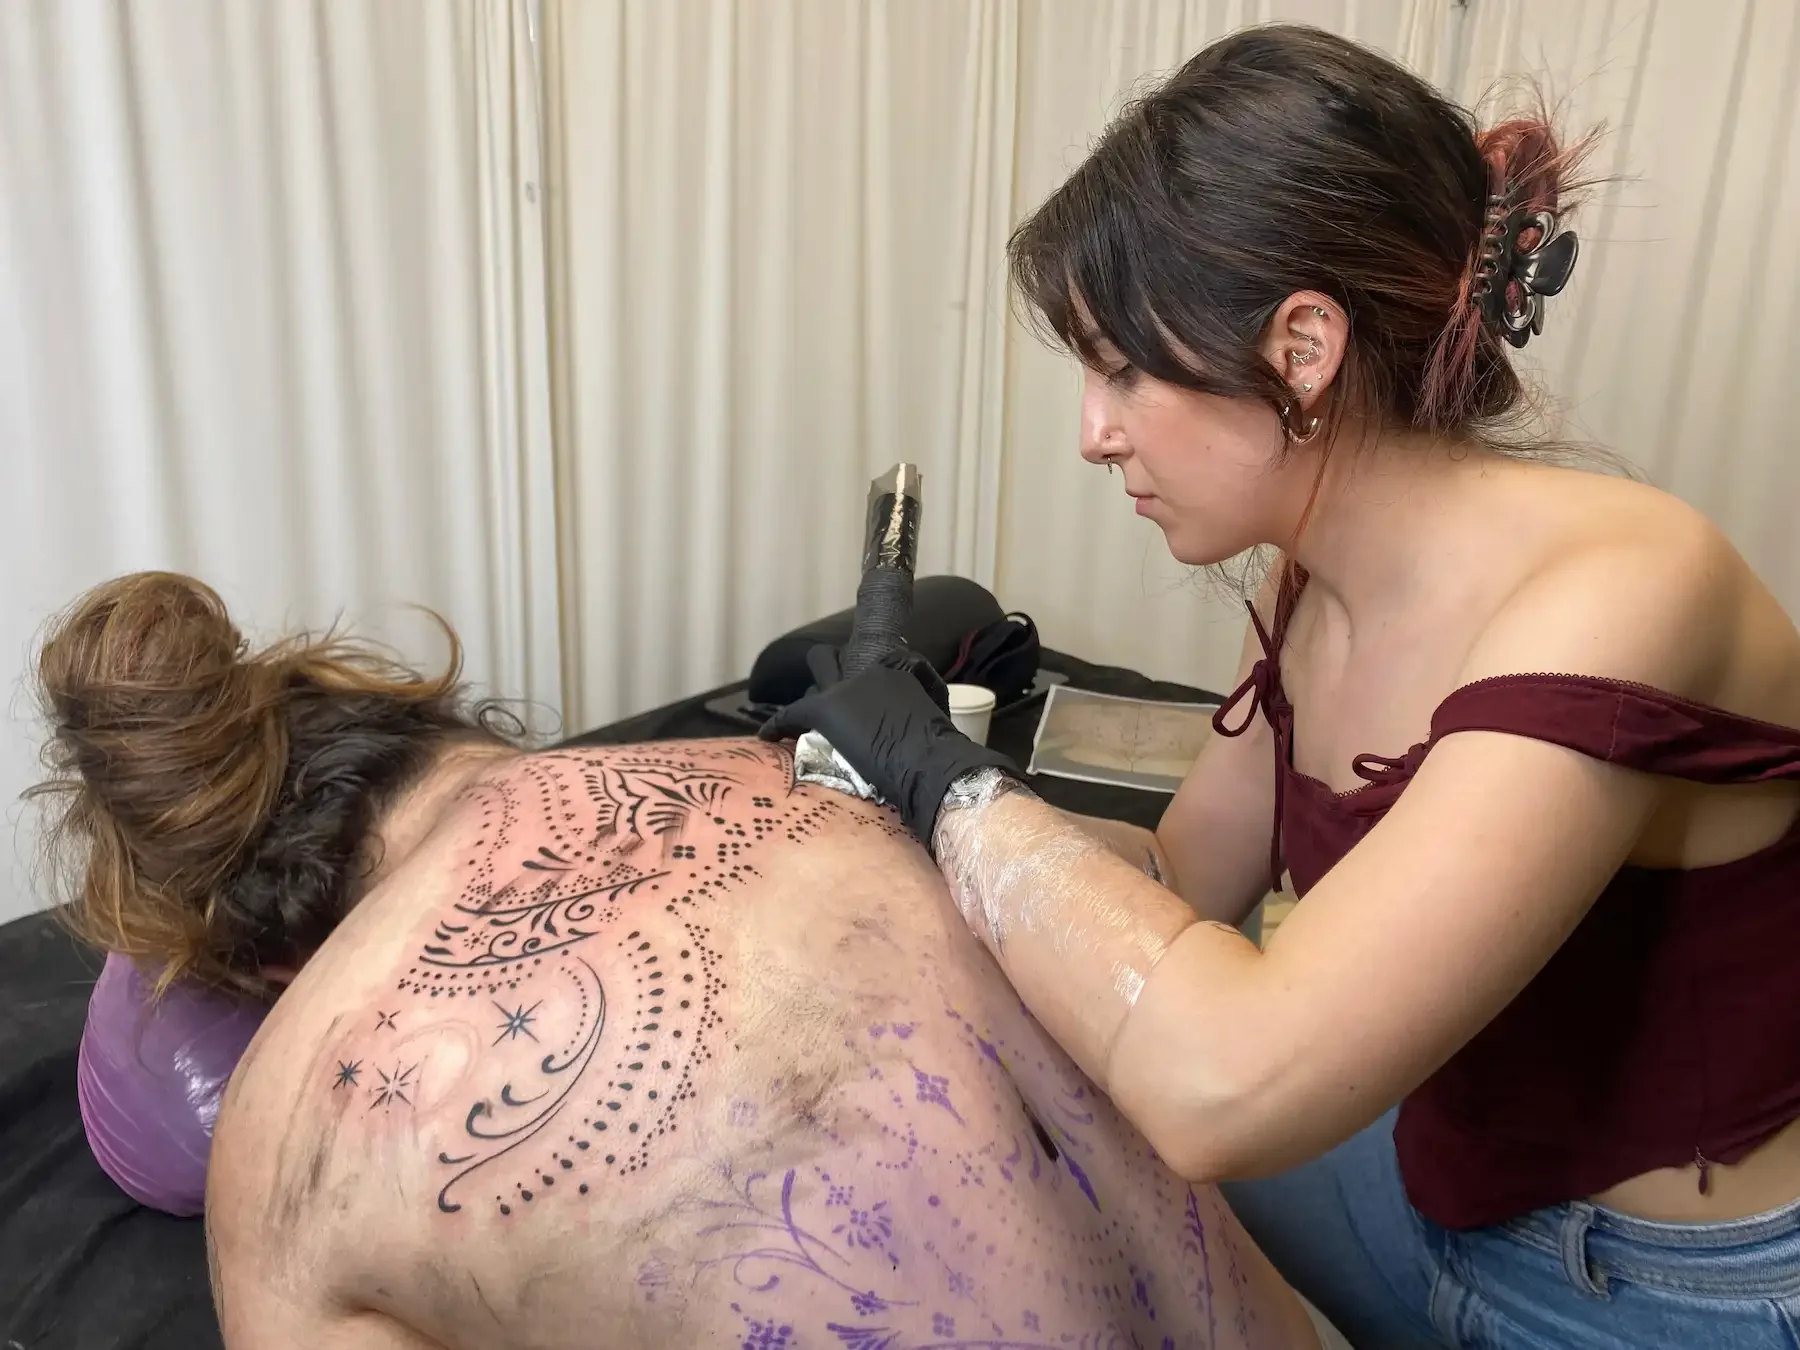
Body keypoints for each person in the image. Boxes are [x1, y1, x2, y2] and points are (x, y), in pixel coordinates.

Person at [759, 24, 1800, 1350]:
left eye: (1122, 368)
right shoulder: (1315, 584)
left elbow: (1227, 1085)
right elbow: (1180, 877)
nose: (1093, 433)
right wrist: (908, 799)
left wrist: (955, 789)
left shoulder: (1629, 592)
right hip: (1422, 1180)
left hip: (1651, 1291)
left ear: (1303, 344)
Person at [32, 570, 1350, 1350]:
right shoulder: (829, 768)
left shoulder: (289, 1161)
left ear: (258, 962)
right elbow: (1142, 888)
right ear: (420, 718)